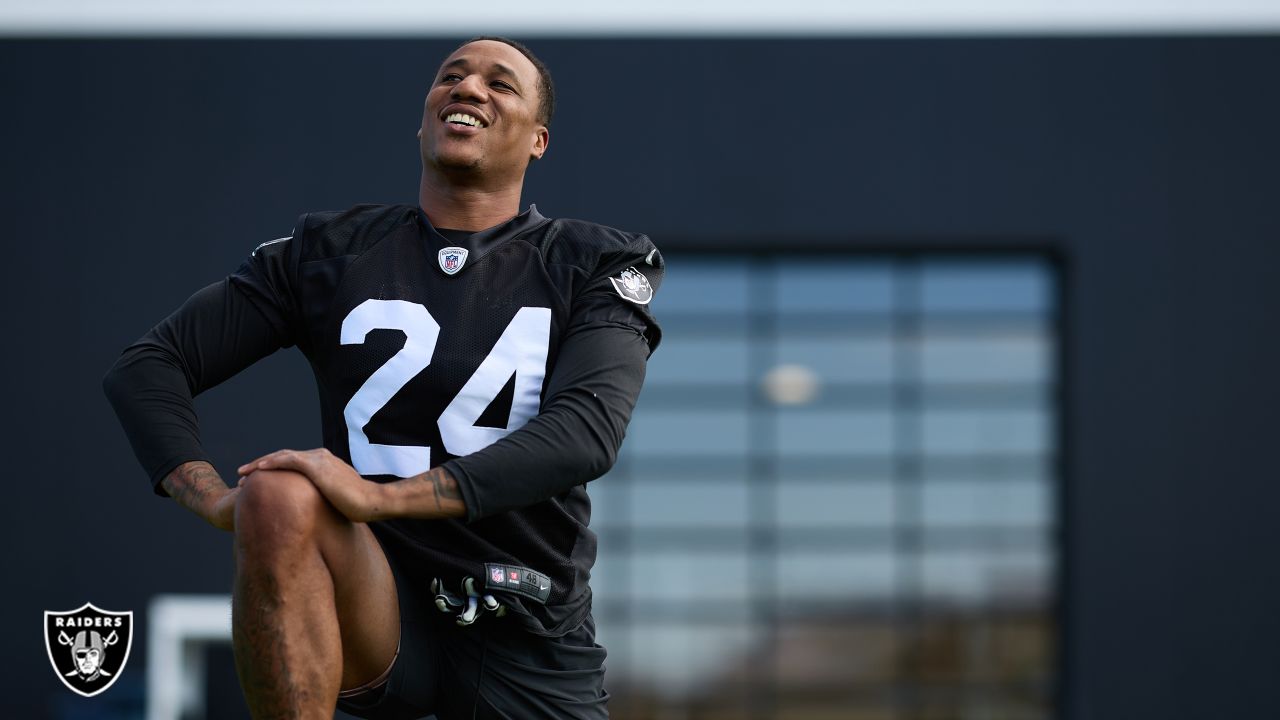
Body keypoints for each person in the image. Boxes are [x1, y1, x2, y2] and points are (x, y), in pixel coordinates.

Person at [103, 36, 662, 720]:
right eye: (450, 77)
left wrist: (383, 499)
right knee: (277, 495)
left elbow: (585, 435)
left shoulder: (592, 261)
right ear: (423, 118)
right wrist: (219, 501)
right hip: (378, 601)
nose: (468, 88)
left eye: (500, 83)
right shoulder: (333, 252)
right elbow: (148, 367)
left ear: (539, 140)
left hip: (526, 619)